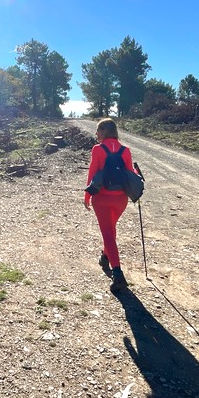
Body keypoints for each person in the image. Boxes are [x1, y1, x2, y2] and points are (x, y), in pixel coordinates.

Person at [84, 118, 133, 294]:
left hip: (102, 199)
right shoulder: (125, 150)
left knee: (108, 234)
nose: (96, 134)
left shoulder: (98, 149)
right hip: (120, 200)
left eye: (98, 130)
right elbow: (130, 174)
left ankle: (118, 273)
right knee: (110, 231)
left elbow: (93, 172)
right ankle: (105, 257)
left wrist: (87, 194)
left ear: (104, 131)